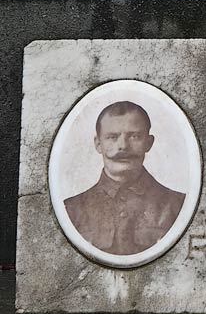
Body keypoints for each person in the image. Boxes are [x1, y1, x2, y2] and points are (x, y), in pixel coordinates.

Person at [64, 101, 185, 255]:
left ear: (148, 143)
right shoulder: (71, 210)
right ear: (98, 144)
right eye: (112, 137)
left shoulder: (179, 206)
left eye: (134, 136)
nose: (123, 146)